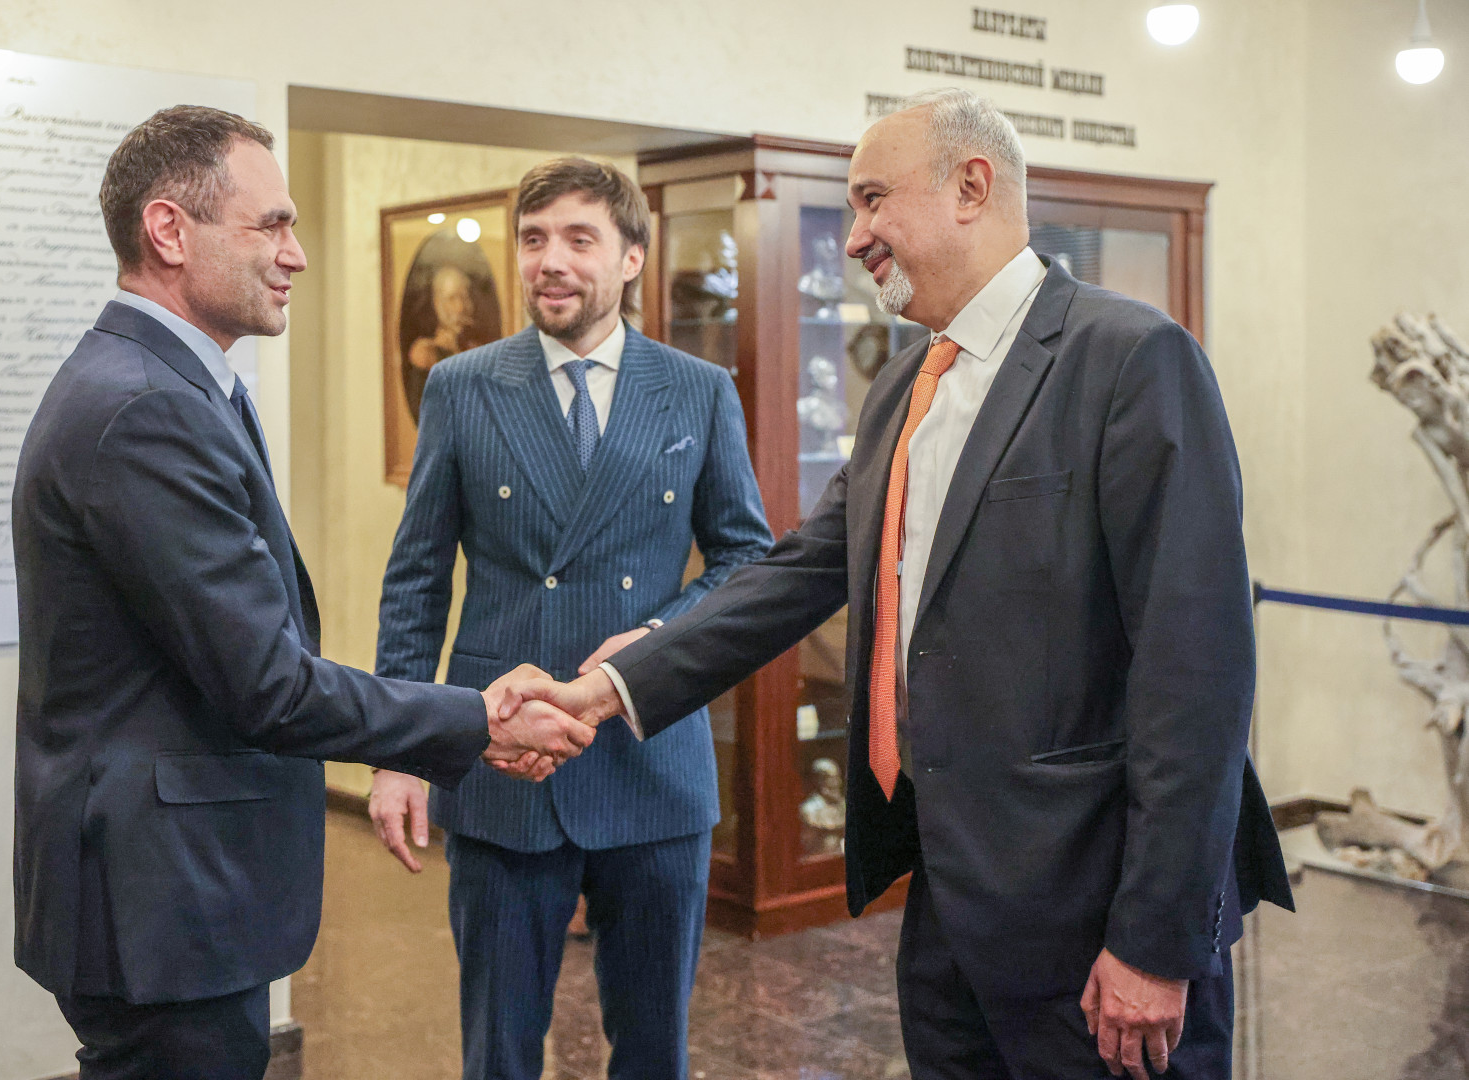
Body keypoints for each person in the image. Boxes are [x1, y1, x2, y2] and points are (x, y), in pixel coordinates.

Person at [521, 90, 1295, 1080]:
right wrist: (610, 688)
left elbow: (1197, 675)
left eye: (872, 200)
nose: (853, 239)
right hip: (945, 897)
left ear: (970, 187)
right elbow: (801, 570)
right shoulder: (902, 382)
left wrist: (1153, 942)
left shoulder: (1130, 359)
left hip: (1093, 908)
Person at [12, 106, 591, 1080]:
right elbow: (266, 685)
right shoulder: (149, 404)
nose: (298, 254)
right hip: (161, 894)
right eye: (270, 225)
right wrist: (473, 718)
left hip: (170, 885)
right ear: (168, 232)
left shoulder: (172, 384)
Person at [370, 156, 772, 1080]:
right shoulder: (464, 385)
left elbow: (746, 560)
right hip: (503, 759)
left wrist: (654, 642)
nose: (550, 260)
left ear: (632, 256)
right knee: (499, 1050)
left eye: (578, 239)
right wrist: (399, 748)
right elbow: (417, 578)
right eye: (534, 239)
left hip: (650, 752)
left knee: (652, 1049)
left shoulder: (697, 389)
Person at [405, 263, 482, 418]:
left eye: (464, 297)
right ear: (437, 303)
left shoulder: (477, 351)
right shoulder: (425, 352)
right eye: (451, 299)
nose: (460, 308)